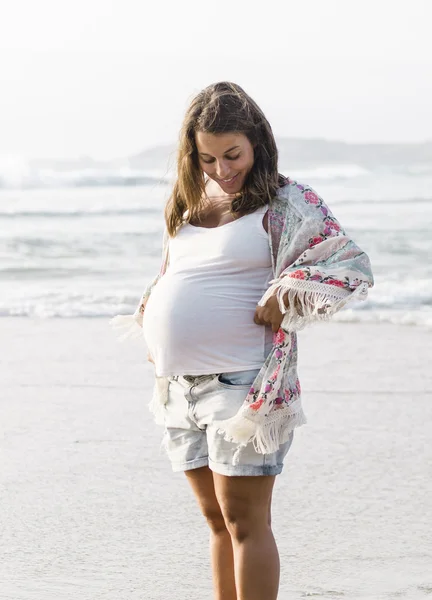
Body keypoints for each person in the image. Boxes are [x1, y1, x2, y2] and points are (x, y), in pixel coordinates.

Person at [111, 81, 374, 600]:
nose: (222, 169)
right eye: (207, 158)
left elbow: (350, 264)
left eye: (232, 154)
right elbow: (176, 273)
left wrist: (289, 289)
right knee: (216, 521)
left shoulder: (287, 201)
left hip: (243, 385)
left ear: (257, 142)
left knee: (245, 521)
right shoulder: (188, 204)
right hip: (178, 387)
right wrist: (155, 319)